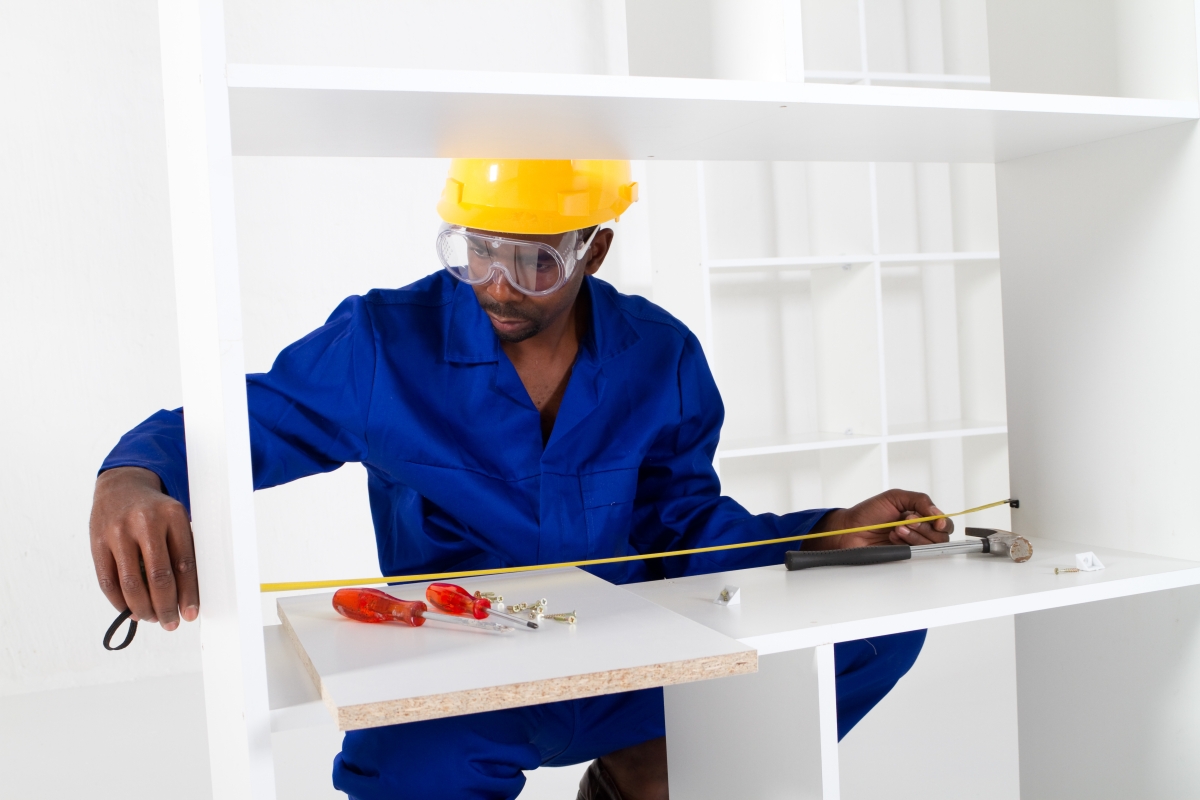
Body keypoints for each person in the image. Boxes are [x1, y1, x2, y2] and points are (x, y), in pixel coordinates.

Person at [90, 159, 953, 800]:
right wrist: (133, 478)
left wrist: (825, 533)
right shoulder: (383, 344)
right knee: (413, 773)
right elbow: (241, 423)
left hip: (634, 664)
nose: (496, 286)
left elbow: (686, 528)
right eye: (476, 252)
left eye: (535, 261)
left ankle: (643, 770)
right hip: (461, 681)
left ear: (595, 249)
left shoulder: (661, 355)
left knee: (880, 627)